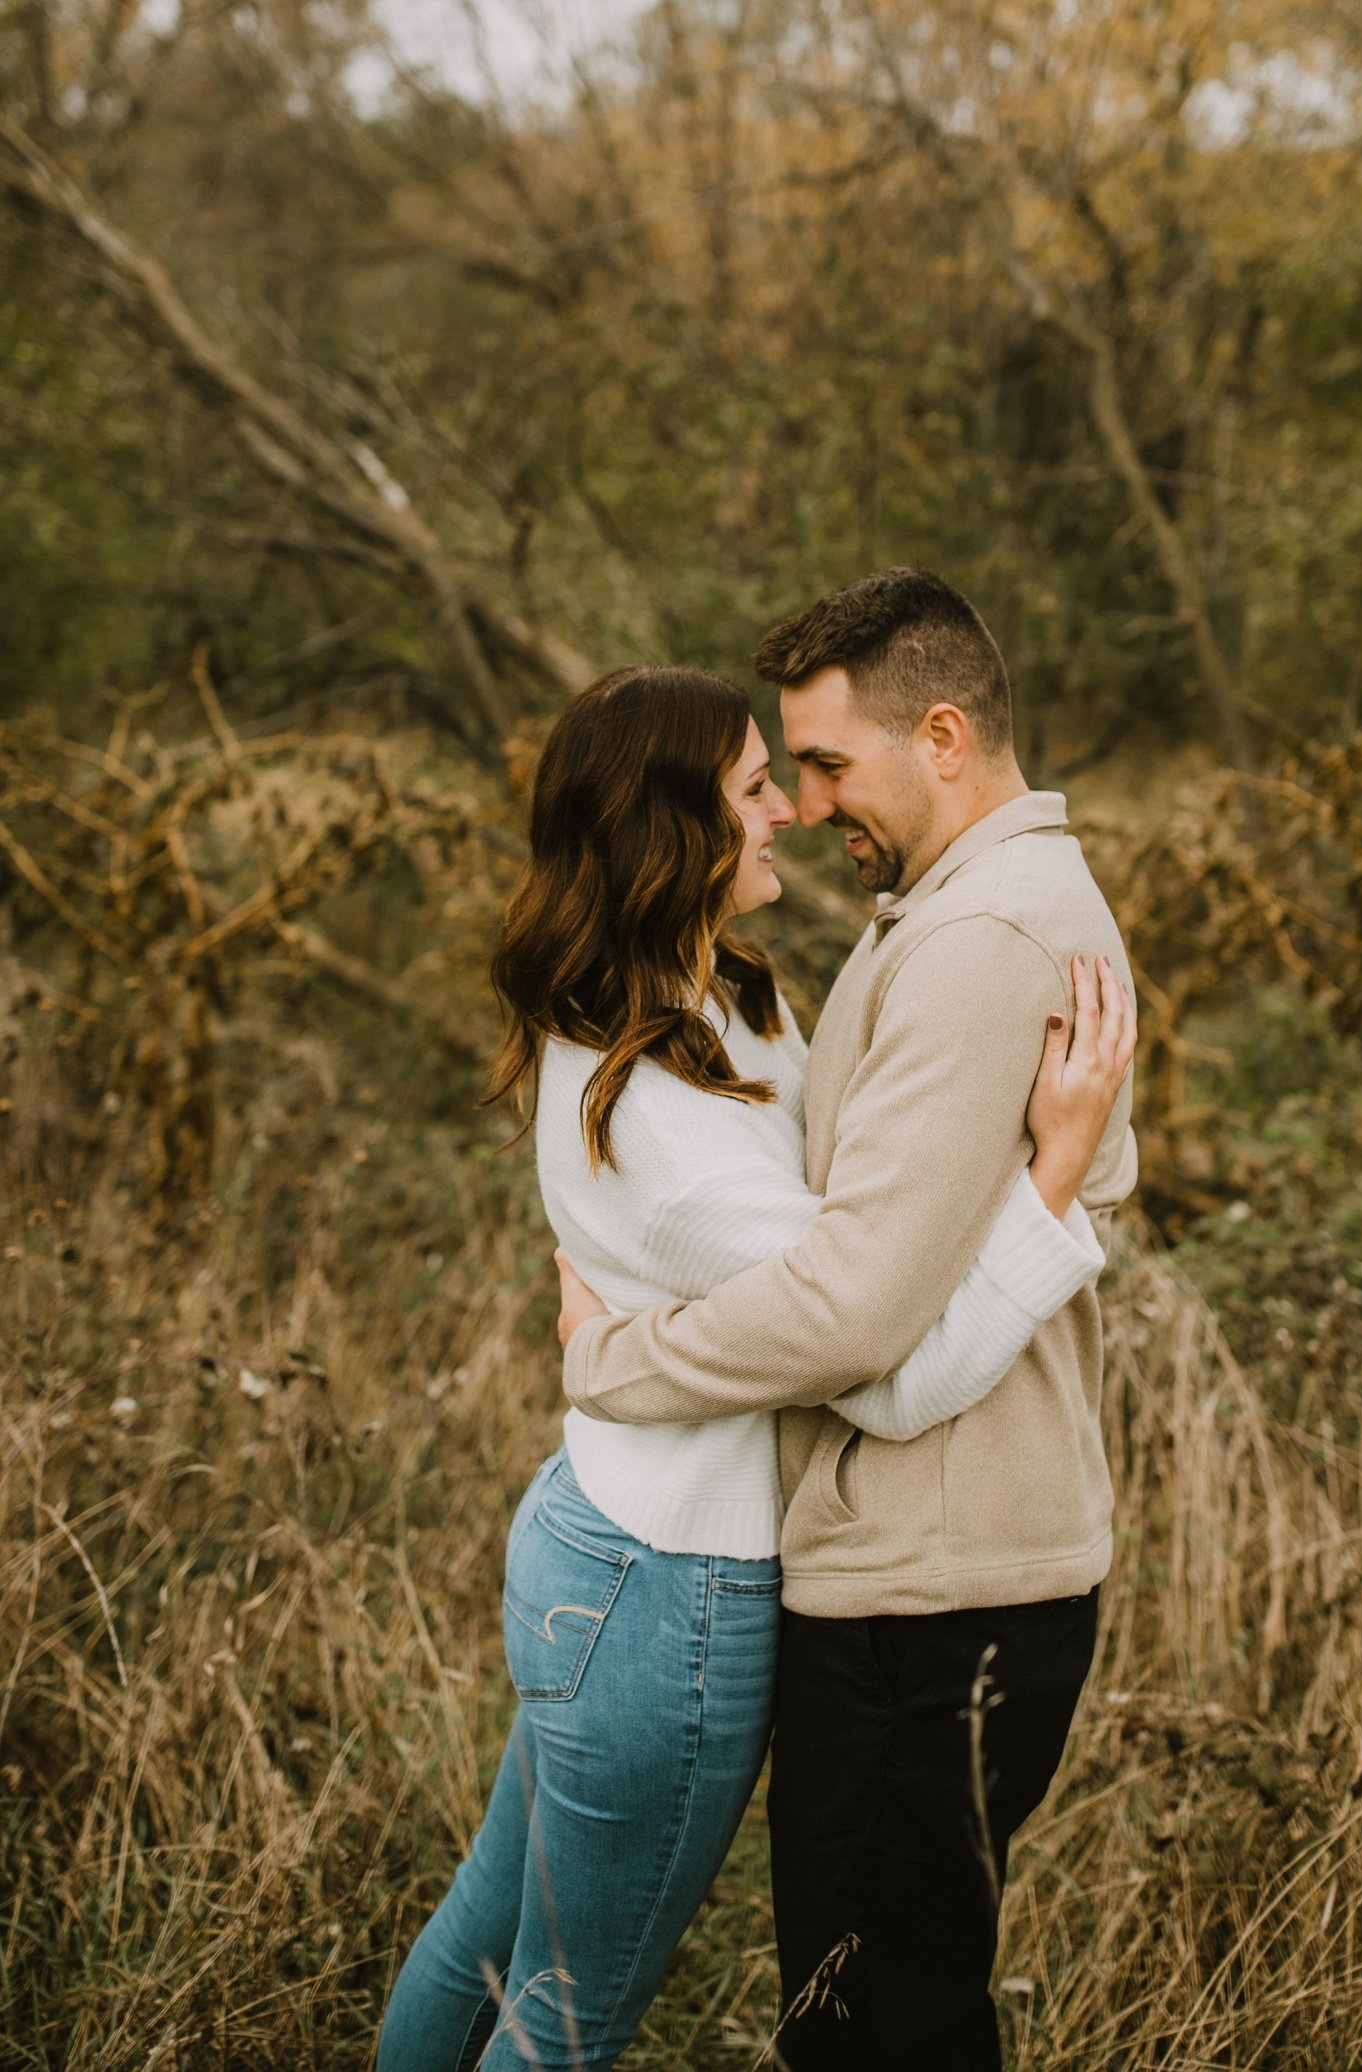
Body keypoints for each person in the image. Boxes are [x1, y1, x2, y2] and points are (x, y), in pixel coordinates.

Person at [378, 651, 1134, 2072]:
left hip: (601, 1549)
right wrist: (1055, 1193)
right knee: (565, 2015)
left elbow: (859, 1218)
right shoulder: (678, 1137)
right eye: (749, 787)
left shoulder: (717, 992)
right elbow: (887, 1372)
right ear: (677, 832)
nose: (784, 809)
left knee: (493, 1934)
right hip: (666, 1590)